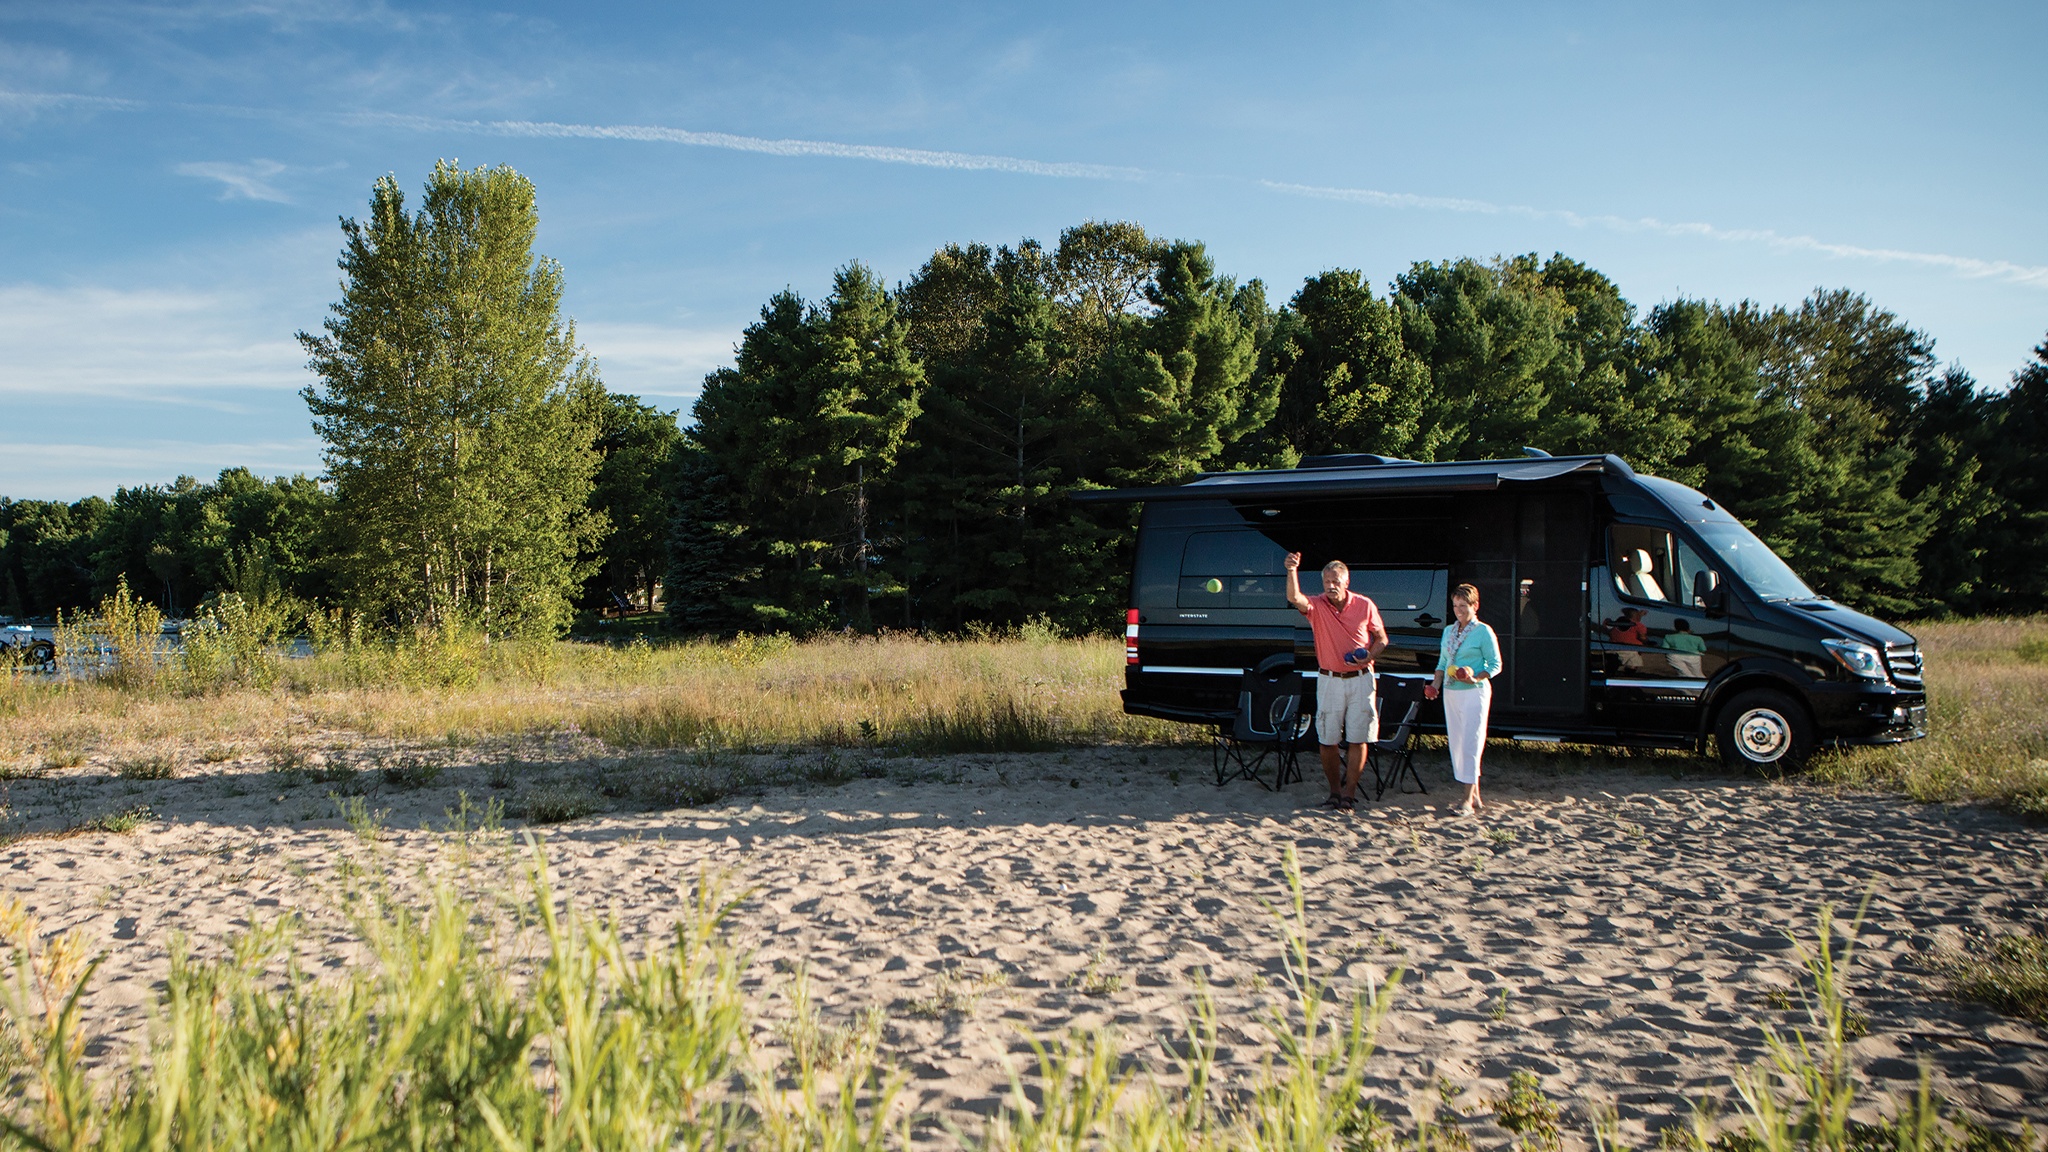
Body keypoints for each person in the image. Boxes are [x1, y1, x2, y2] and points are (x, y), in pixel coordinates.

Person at [1283, 553, 1388, 812]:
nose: (1331, 586)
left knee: (1358, 738)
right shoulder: (1317, 606)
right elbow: (1294, 598)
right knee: (1327, 739)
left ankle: (1349, 795)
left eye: (1336, 581)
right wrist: (1292, 570)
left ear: (1346, 582)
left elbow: (1382, 639)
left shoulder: (1364, 605)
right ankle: (1334, 792)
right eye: (1327, 582)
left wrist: (1369, 656)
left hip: (1361, 680)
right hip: (1329, 679)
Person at [1424, 584, 1501, 815]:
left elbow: (1495, 664)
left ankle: (1466, 799)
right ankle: (1474, 794)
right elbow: (1442, 663)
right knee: (1457, 743)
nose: (1458, 610)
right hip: (1451, 691)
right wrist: (1435, 686)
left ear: (1475, 606)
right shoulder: (1449, 631)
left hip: (1474, 691)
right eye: (1455, 605)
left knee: (1471, 742)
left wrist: (1475, 676)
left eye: (1463, 606)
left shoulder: (1483, 631)